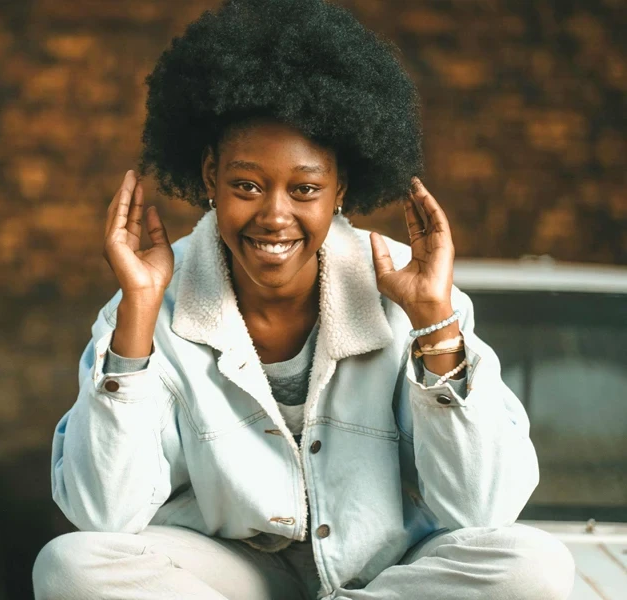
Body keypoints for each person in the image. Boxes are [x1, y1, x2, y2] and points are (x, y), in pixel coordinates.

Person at [33, 1, 575, 598]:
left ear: (340, 189)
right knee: (70, 565)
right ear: (210, 176)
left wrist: (432, 323)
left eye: (305, 188)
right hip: (228, 569)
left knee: (533, 566)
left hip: (385, 569)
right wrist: (137, 310)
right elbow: (102, 513)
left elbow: (482, 508)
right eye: (246, 185)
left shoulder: (413, 290)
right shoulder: (148, 302)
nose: (274, 215)